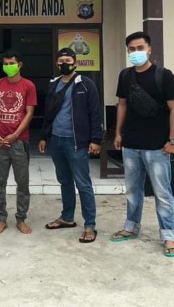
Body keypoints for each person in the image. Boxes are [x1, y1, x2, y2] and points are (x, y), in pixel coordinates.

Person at [111, 31, 174, 257]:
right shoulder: (125, 76)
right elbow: (122, 105)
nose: (136, 52)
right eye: (131, 49)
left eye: (140, 48)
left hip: (157, 146)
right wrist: (118, 133)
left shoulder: (164, 76)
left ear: (149, 49)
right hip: (131, 143)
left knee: (162, 193)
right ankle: (131, 227)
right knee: (133, 190)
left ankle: (168, 235)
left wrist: (172, 139)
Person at [38, 47, 102, 243]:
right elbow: (48, 113)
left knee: (83, 183)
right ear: (56, 64)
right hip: (57, 140)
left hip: (76, 142)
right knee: (64, 180)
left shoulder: (86, 85)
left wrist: (95, 139)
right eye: (61, 61)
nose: (64, 64)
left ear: (75, 62)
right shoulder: (54, 84)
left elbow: (95, 113)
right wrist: (44, 136)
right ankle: (67, 217)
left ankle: (90, 225)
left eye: (67, 60)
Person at [0, 50, 37, 235]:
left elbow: (29, 113)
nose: (8, 66)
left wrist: (16, 134)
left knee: (22, 183)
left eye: (11, 63)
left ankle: (21, 219)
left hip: (19, 142)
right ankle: (1, 219)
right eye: (5, 64)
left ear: (19, 65)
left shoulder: (28, 85)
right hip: (0, 142)